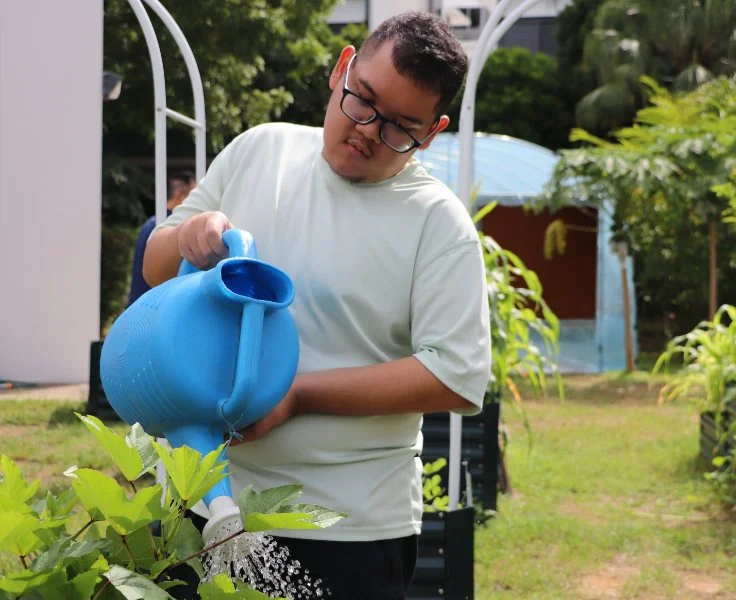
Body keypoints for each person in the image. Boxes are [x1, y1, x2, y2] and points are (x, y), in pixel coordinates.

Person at [143, 11, 490, 600]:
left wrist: (298, 395)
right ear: (342, 69)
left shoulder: (438, 223)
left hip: (347, 530)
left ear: (432, 132)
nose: (367, 132)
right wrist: (190, 233)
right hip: (197, 500)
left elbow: (454, 375)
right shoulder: (260, 151)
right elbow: (156, 267)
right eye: (363, 102)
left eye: (400, 127)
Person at [127, 170, 196, 306]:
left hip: (141, 305)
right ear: (181, 197)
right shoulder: (169, 228)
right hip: (155, 308)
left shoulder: (153, 223)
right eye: (195, 196)